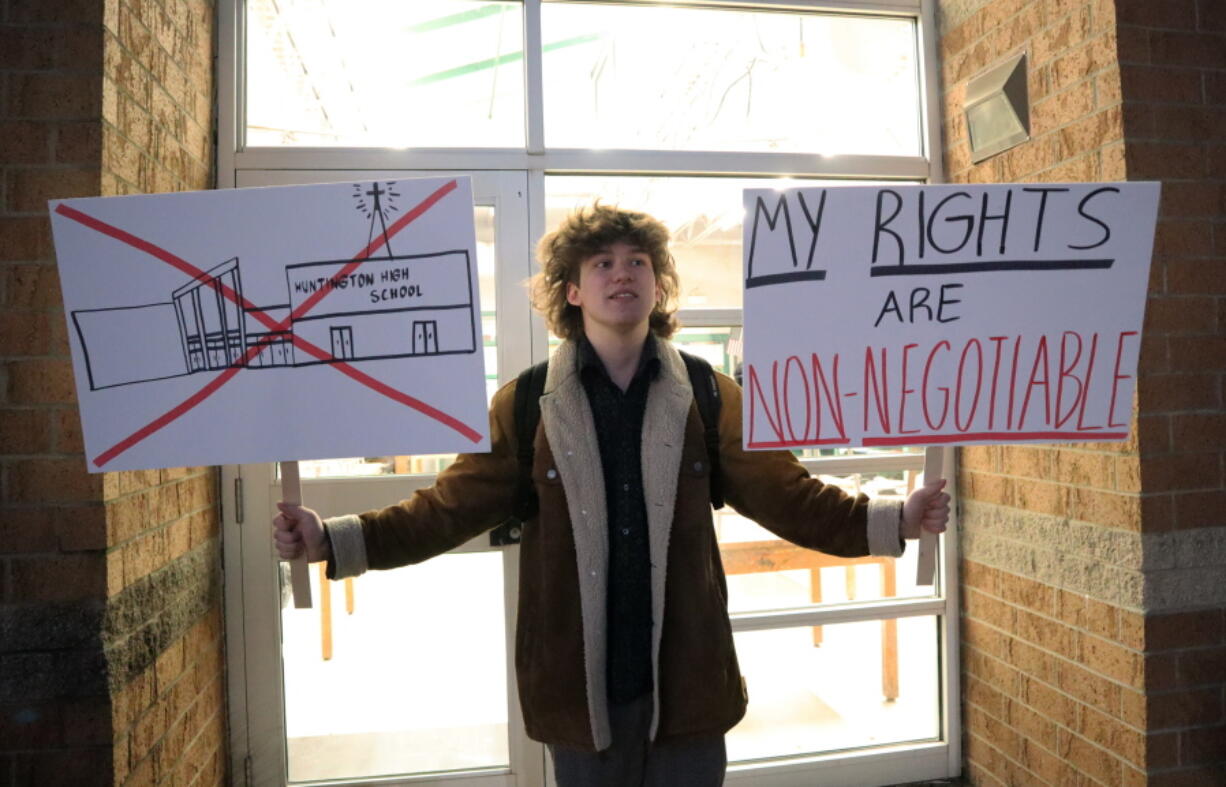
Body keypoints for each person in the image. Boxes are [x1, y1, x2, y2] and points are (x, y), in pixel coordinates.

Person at [274, 203, 950, 787]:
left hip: (686, 683)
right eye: (601, 262)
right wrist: (332, 538)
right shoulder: (527, 403)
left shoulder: (711, 395)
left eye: (637, 261)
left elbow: (791, 497)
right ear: (570, 290)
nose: (621, 272)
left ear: (658, 286)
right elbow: (447, 507)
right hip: (577, 687)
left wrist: (896, 519)